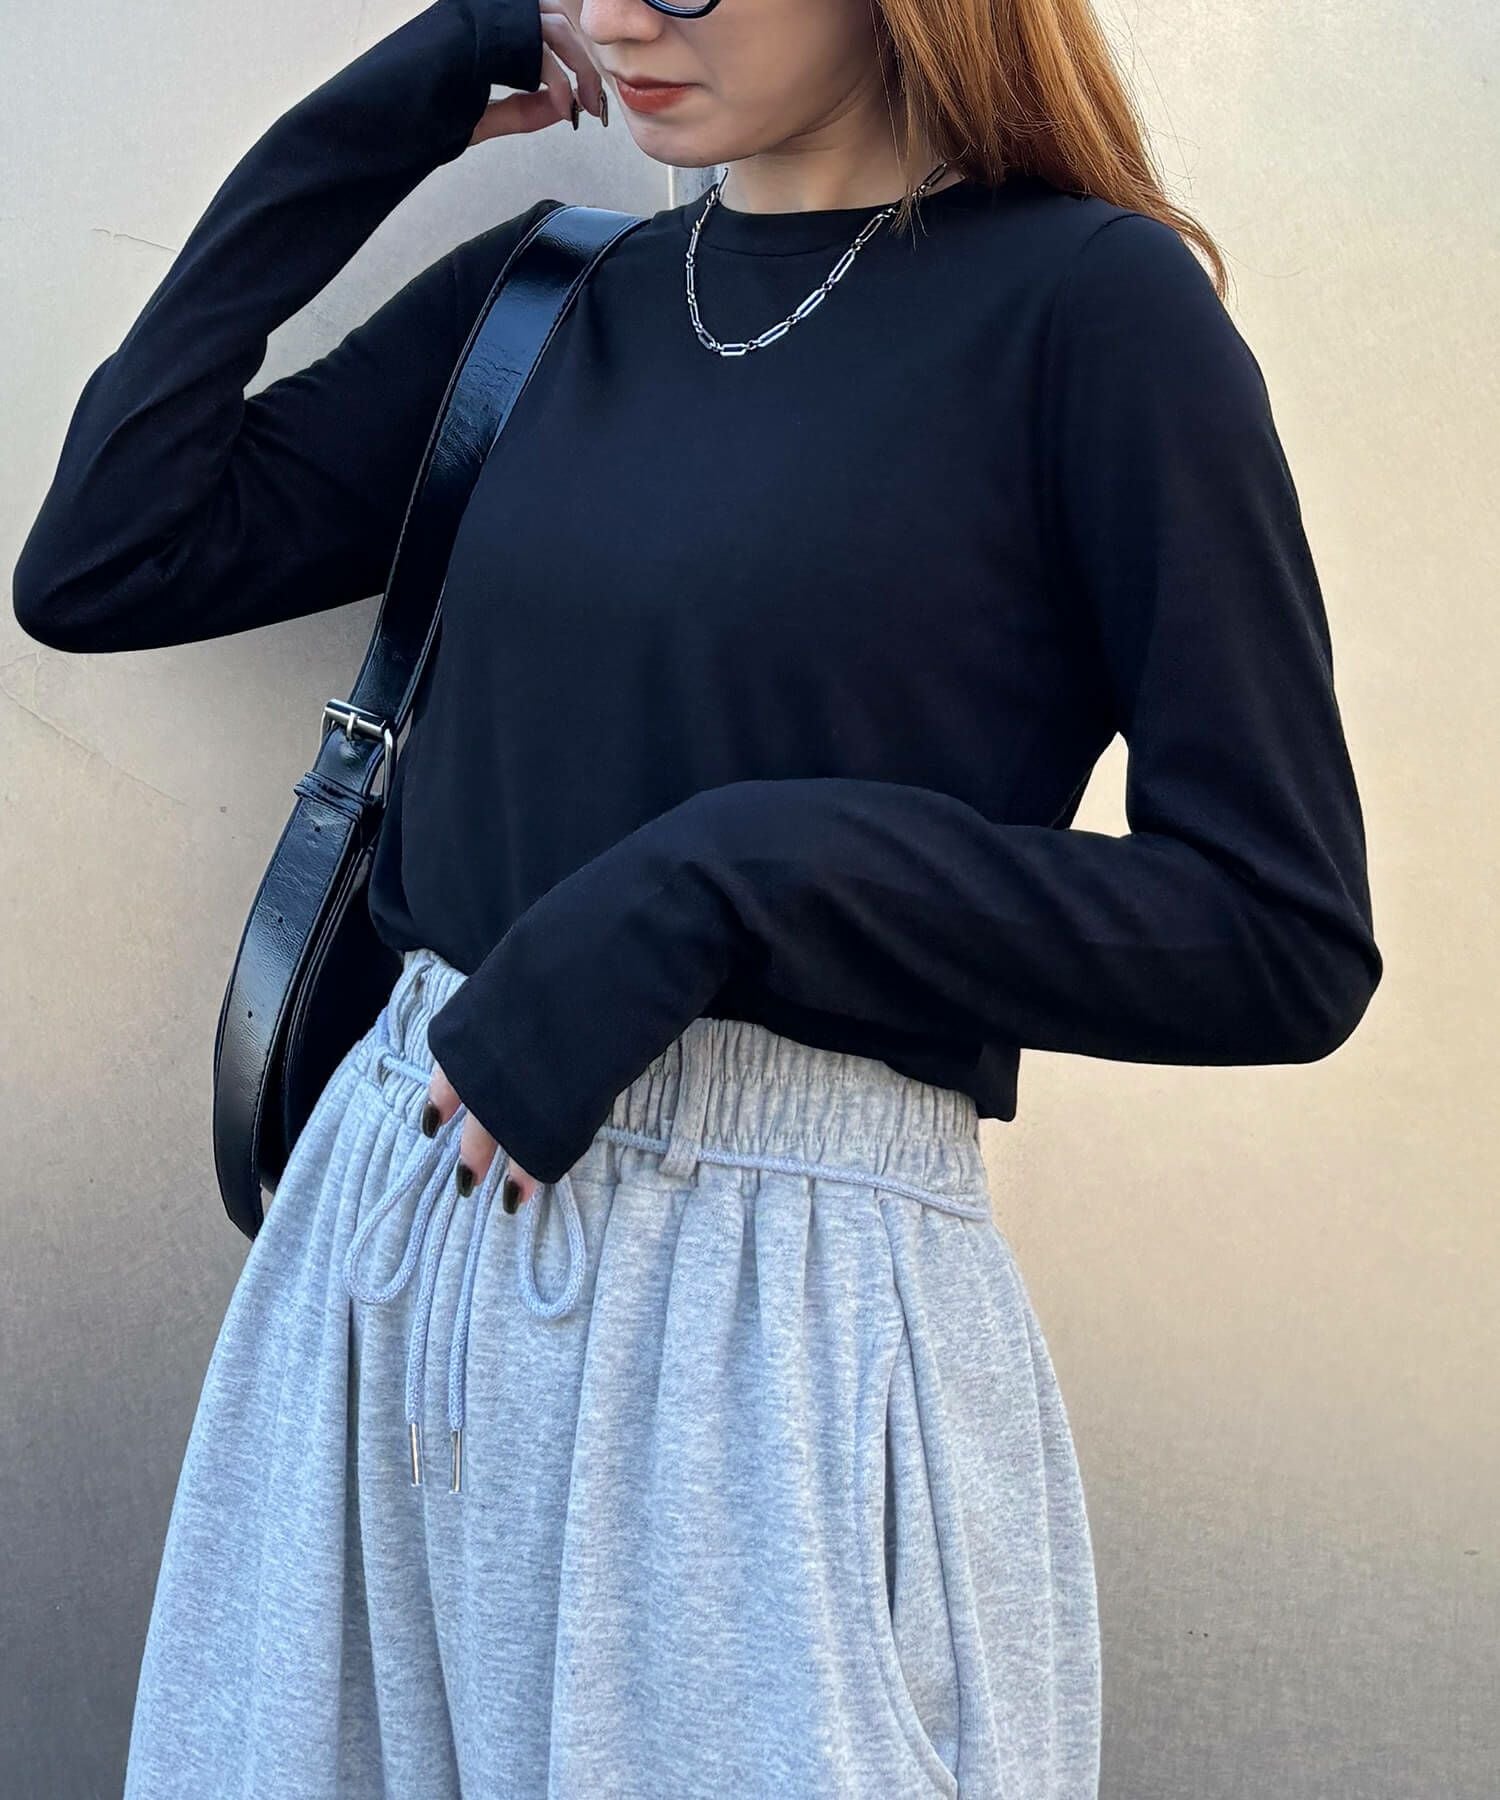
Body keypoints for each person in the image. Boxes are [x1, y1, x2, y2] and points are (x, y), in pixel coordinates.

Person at [12, 0, 1383, 1792]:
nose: (612, 21)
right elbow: (106, 554)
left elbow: (1278, 932)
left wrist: (733, 879)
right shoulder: (553, 296)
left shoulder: (1091, 312)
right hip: (383, 1249)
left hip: (763, 1320)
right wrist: (403, 92)